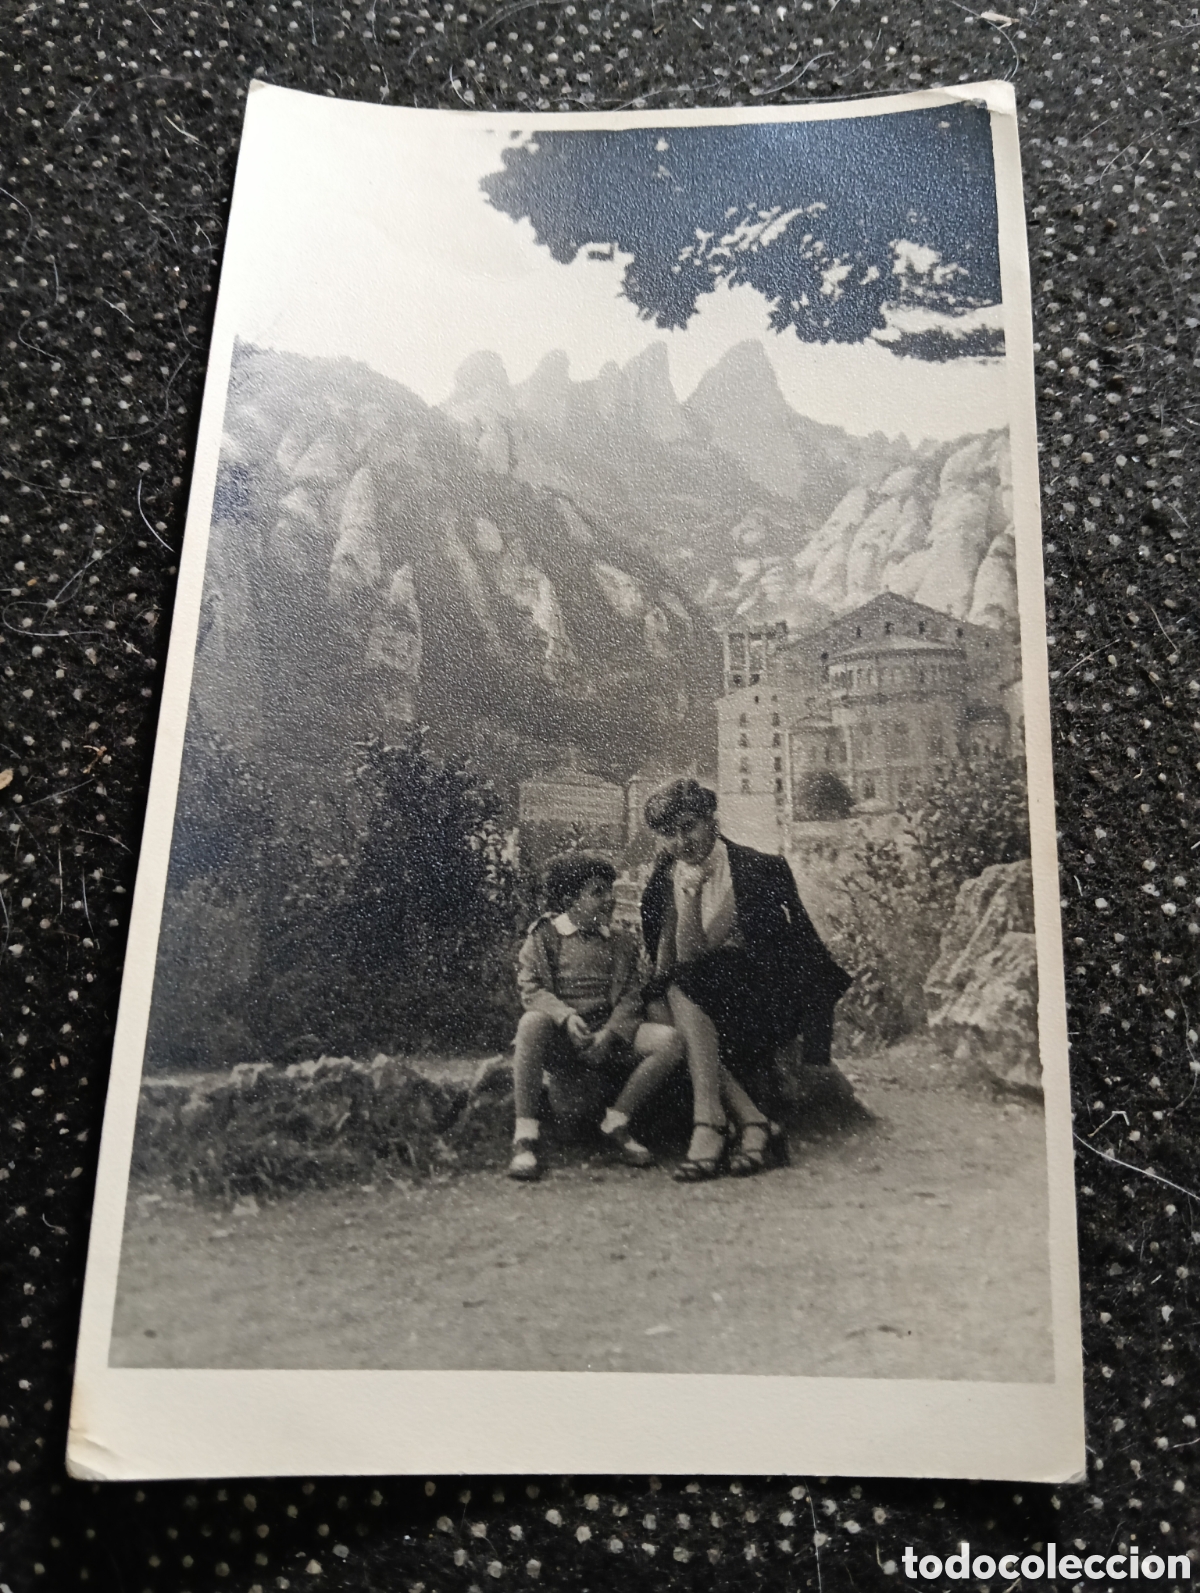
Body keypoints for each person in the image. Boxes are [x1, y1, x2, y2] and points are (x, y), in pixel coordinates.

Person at [641, 778, 852, 1181]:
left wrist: (817, 1046)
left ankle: (710, 1123)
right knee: (660, 995)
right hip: (701, 1000)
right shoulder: (665, 877)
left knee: (679, 986)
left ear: (711, 821)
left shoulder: (757, 869)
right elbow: (666, 961)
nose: (681, 842)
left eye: (689, 826)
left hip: (761, 996)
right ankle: (753, 1122)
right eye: (669, 834)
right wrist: (680, 897)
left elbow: (808, 952)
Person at [508, 851, 685, 1182]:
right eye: (597, 892)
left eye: (610, 890)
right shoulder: (545, 936)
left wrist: (612, 1033)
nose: (609, 900)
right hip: (563, 1034)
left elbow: (632, 995)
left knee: (671, 1041)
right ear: (569, 899)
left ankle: (617, 1119)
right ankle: (525, 1135)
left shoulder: (621, 941)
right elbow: (530, 989)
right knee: (530, 1022)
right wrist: (565, 1016)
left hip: (607, 1034)